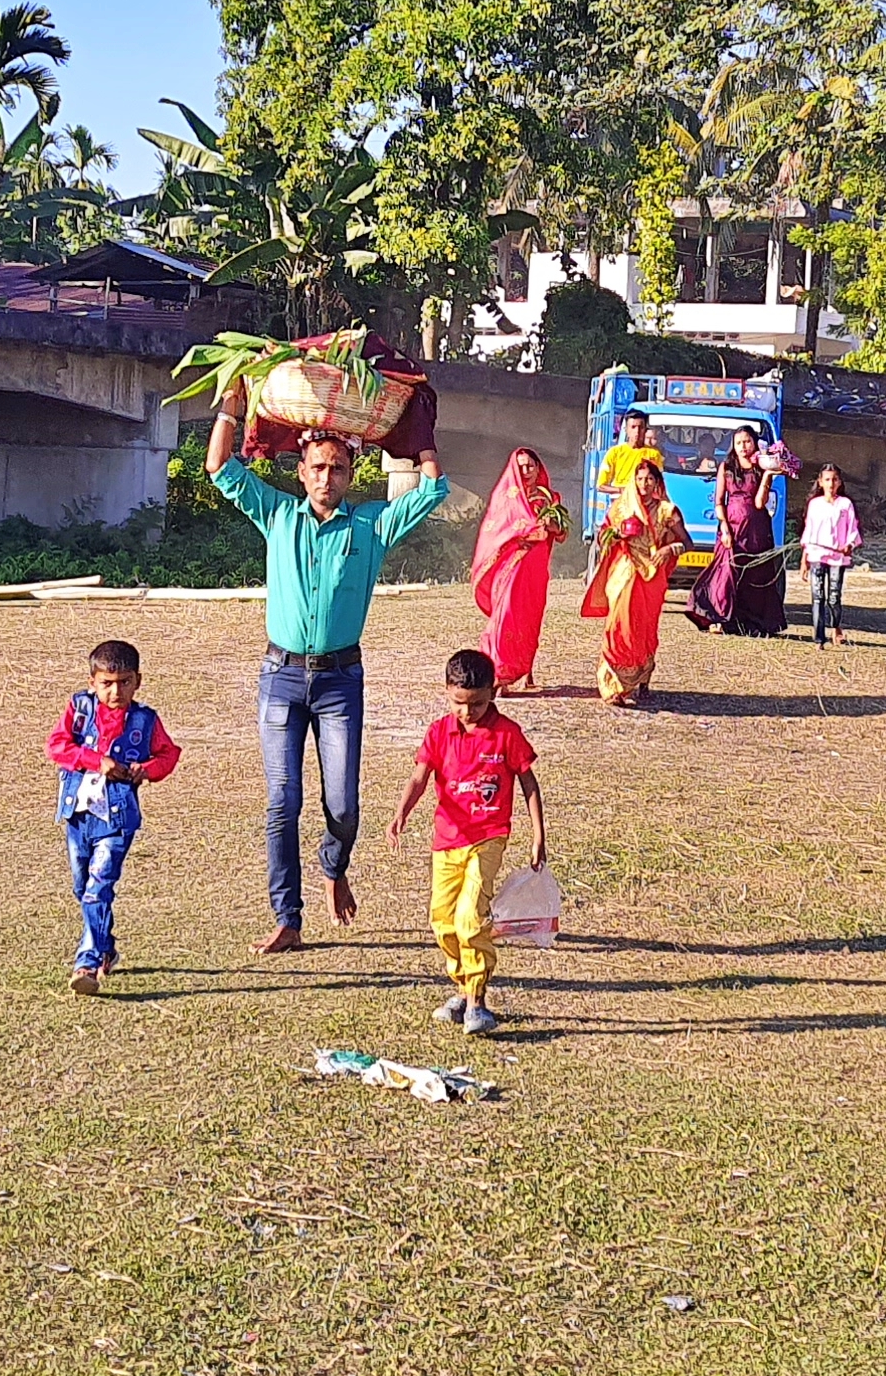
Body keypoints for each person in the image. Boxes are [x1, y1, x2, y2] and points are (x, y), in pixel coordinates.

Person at [206, 380, 446, 952]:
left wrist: (420, 436)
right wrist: (232, 409)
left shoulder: (370, 526)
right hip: (280, 677)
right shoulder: (278, 516)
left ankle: (334, 867)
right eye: (317, 467)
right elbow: (218, 466)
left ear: (350, 474)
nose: (325, 478)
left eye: (337, 469)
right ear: (301, 471)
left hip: (340, 680)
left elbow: (434, 491)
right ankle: (287, 916)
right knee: (281, 801)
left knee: (342, 803)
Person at [387, 646, 545, 1037]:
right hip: (447, 841)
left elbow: (528, 783)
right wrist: (401, 813)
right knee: (442, 922)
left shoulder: (507, 734)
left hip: (488, 838)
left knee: (470, 917)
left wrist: (538, 833)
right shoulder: (440, 732)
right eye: (459, 703)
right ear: (446, 692)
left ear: (492, 692)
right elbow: (420, 777)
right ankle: (460, 986)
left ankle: (477, 999)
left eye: (476, 703)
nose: (467, 712)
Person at [42, 639, 182, 994]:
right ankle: (105, 947)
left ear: (138, 681)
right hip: (78, 814)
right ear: (92, 682)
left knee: (97, 888)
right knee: (82, 885)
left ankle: (86, 963)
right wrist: (95, 760)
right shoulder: (80, 709)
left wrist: (146, 770)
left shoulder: (145, 720)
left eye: (124, 682)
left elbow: (168, 755)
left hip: (117, 820)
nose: (115, 691)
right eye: (106, 683)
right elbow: (57, 746)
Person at [580, 460, 690, 707]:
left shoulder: (667, 510)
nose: (644, 484)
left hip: (651, 578)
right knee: (617, 625)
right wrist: (617, 535)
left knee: (644, 628)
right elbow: (603, 536)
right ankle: (612, 685)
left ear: (657, 483)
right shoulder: (622, 508)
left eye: (649, 479)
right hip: (623, 573)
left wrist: (669, 549)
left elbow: (687, 541)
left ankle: (637, 682)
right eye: (639, 479)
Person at [469, 446, 564, 694]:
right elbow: (495, 531)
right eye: (521, 466)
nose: (526, 471)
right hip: (510, 566)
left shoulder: (550, 498)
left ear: (538, 468)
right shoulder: (506, 499)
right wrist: (522, 533)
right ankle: (498, 671)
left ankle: (523, 669)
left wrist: (551, 525)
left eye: (530, 466)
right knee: (505, 616)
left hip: (535, 567)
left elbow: (561, 533)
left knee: (530, 619)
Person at [686, 428, 788, 637]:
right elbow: (719, 501)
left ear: (754, 443)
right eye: (739, 442)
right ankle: (718, 618)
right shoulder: (726, 467)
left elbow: (760, 502)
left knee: (755, 575)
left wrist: (768, 475)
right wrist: (724, 526)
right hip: (731, 528)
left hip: (757, 530)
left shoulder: (761, 467)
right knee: (726, 573)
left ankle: (751, 622)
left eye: (747, 442)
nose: (743, 447)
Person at [800, 462, 863, 648]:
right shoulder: (814, 505)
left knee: (833, 597)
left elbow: (853, 530)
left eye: (834, 479)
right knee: (817, 596)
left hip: (837, 557)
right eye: (827, 479)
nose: (831, 483)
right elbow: (809, 533)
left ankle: (836, 626)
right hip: (817, 555)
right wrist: (804, 560)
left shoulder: (845, 505)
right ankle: (819, 639)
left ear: (839, 482)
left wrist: (849, 545)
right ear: (820, 482)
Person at [594, 411, 662, 498]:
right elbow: (600, 486)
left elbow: (659, 484)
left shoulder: (654, 455)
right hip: (620, 502)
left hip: (644, 503)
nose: (637, 431)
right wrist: (622, 490)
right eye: (633, 427)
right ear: (626, 430)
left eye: (640, 427)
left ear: (645, 430)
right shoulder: (614, 452)